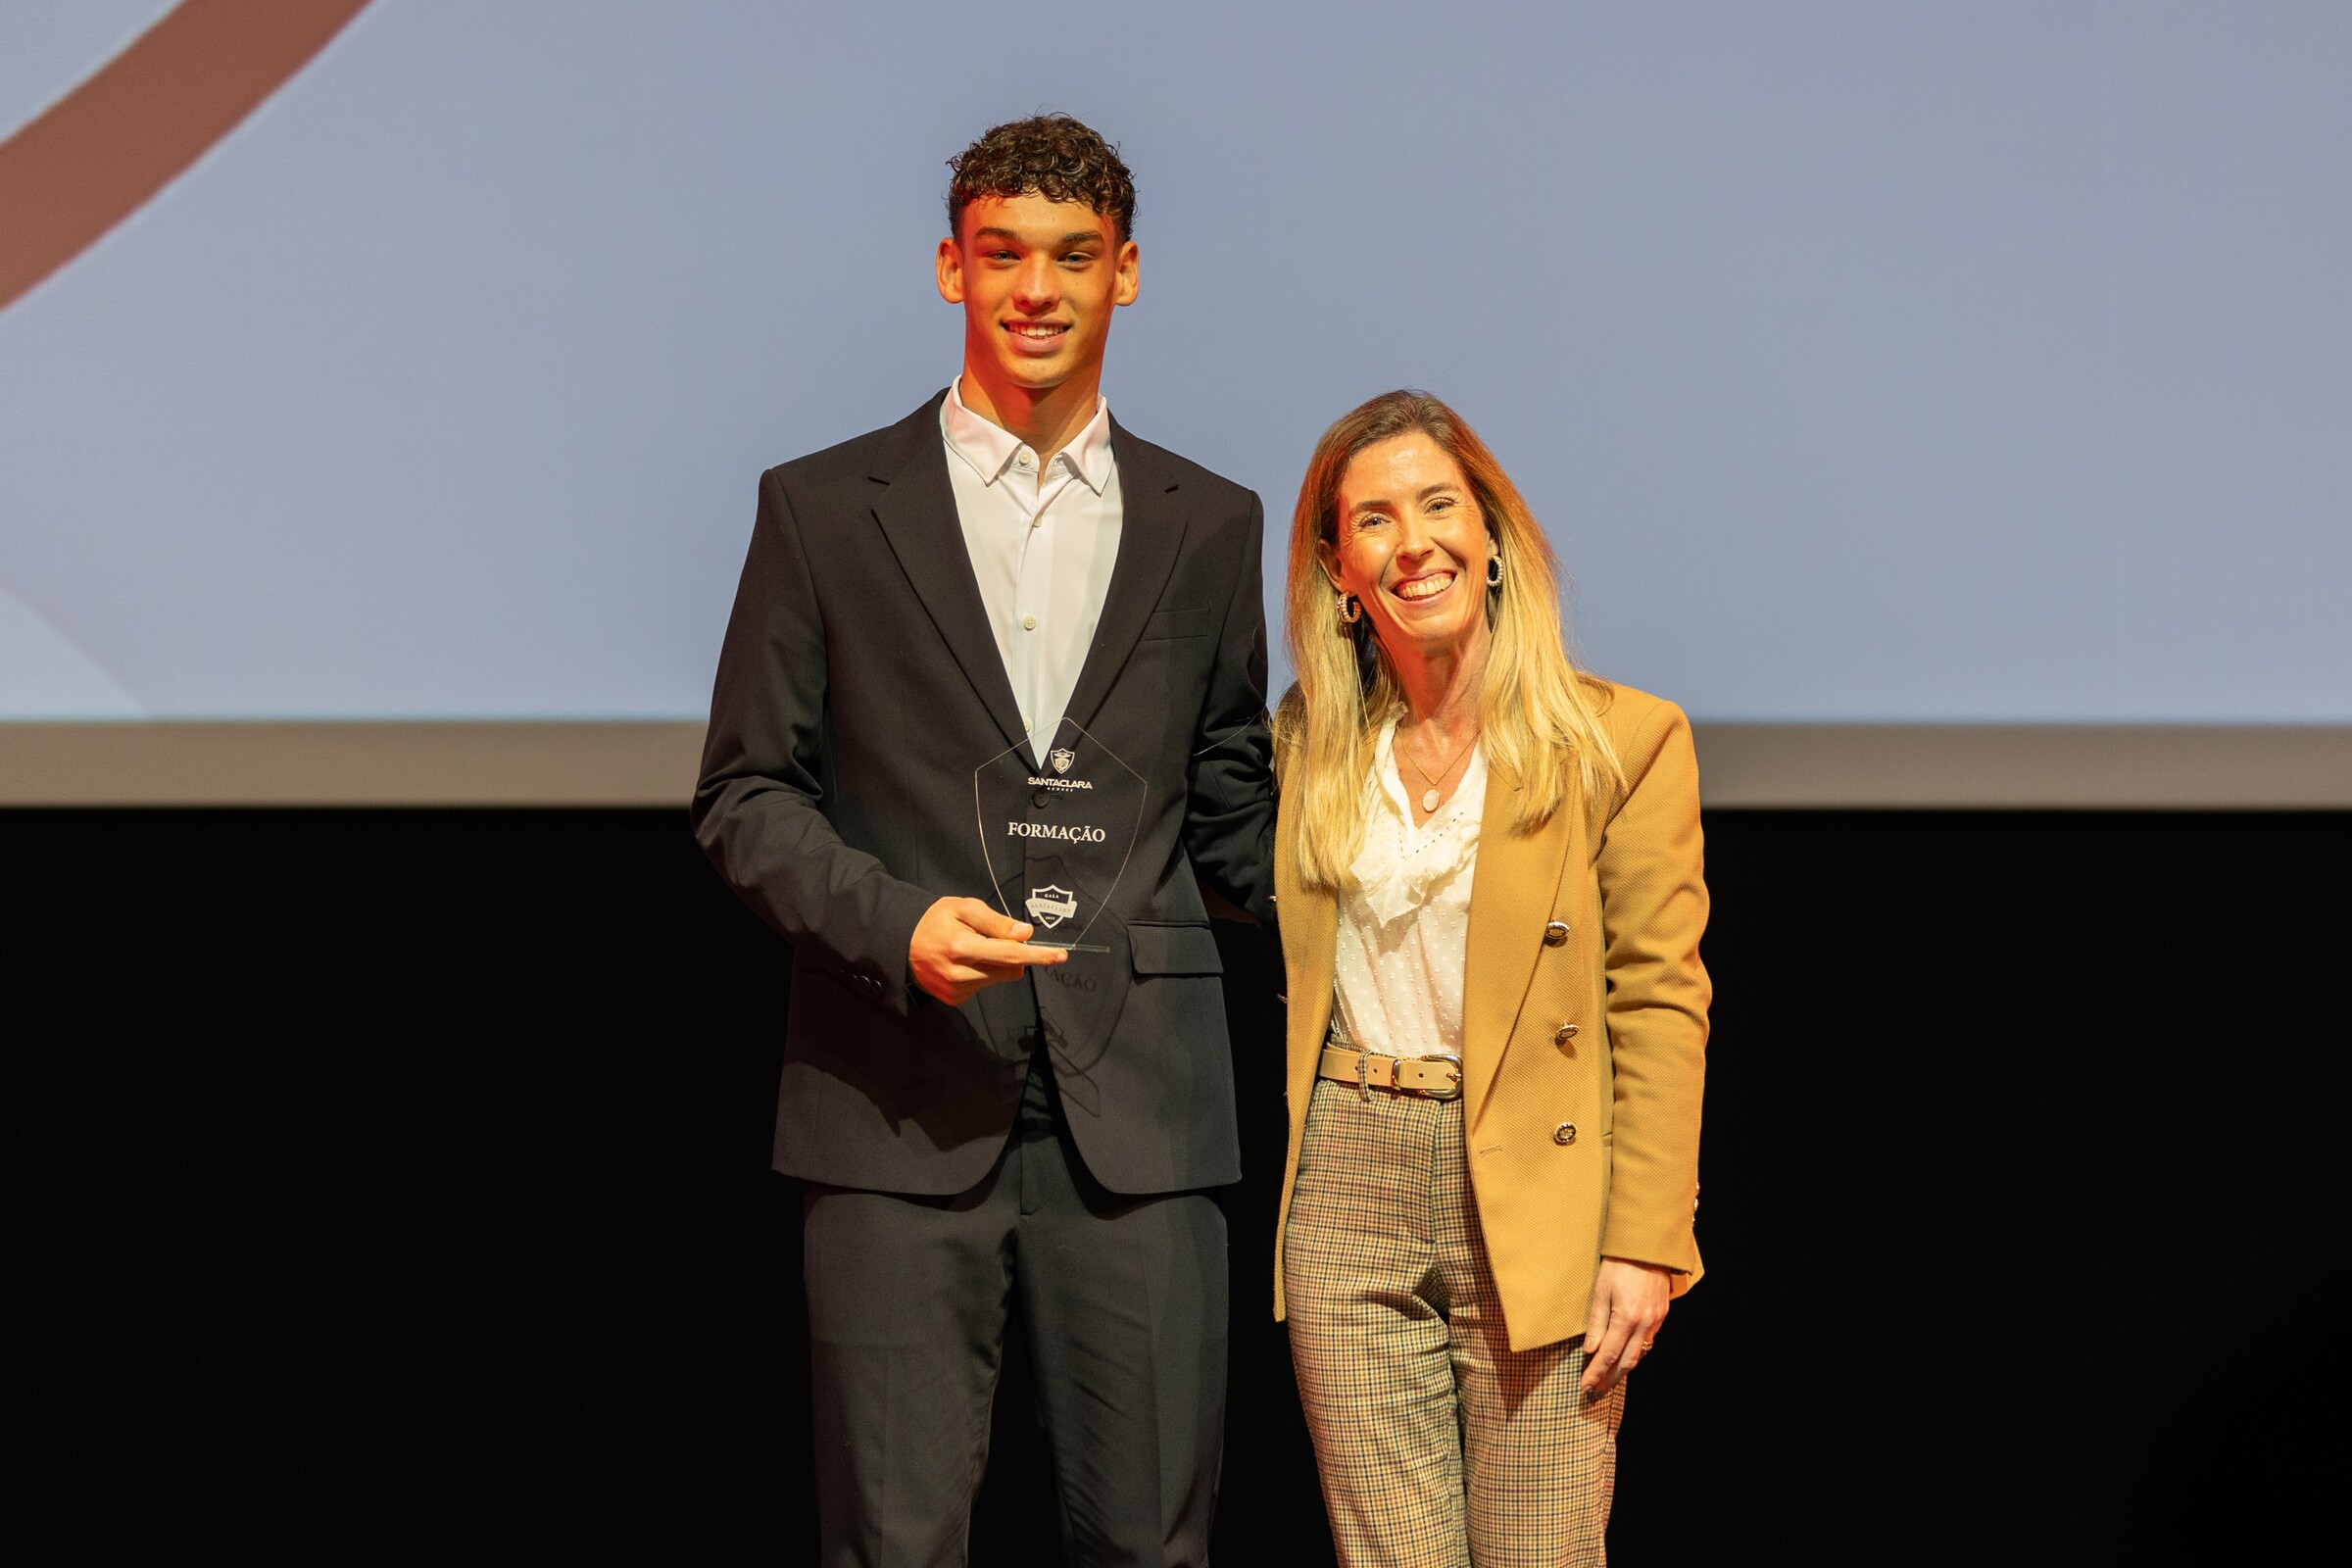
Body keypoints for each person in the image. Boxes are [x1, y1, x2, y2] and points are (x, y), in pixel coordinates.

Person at [693, 117, 1276, 1566]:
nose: (1037, 289)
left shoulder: (1212, 523)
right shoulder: (822, 509)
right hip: (895, 1097)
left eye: (1073, 257)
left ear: (1125, 273)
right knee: (892, 1544)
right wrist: (894, 921)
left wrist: (1424, 831)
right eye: (1003, 253)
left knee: (1153, 1545)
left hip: (1143, 1113)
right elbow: (747, 794)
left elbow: (1230, 809)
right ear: (951, 266)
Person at [1268, 390, 1709, 1565]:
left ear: (1493, 535)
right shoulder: (1308, 740)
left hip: (1536, 1188)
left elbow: (1661, 1000)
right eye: (1374, 520)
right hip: (1349, 1182)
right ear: (1340, 568)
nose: (1413, 543)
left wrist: (1646, 1240)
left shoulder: (1620, 741)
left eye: (1438, 506)